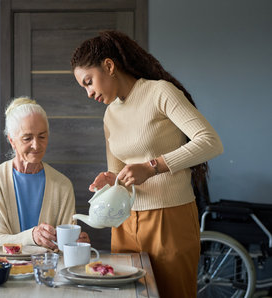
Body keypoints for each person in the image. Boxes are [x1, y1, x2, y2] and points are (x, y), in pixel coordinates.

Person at [70, 31, 223, 298]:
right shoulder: (109, 115)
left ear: (109, 65)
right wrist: (111, 179)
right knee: (128, 295)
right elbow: (120, 172)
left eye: (89, 82)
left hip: (170, 219)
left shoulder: (159, 93)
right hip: (125, 223)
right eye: (83, 87)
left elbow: (210, 142)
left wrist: (153, 166)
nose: (88, 92)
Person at [0, 97, 90, 250]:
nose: (36, 145)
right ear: (11, 140)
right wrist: (32, 236)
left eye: (42, 137)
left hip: (48, 271)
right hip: (5, 271)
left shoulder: (63, 185)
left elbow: (63, 247)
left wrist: (76, 244)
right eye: (27, 138)